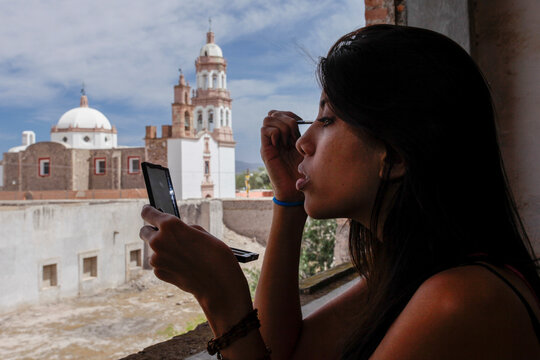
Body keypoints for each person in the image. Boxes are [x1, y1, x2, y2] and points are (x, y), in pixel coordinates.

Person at [139, 25, 540, 359]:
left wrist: (222, 300)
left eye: (327, 119)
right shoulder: (406, 271)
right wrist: (289, 200)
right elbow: (281, 353)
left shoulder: (459, 299)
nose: (302, 142)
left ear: (395, 156)